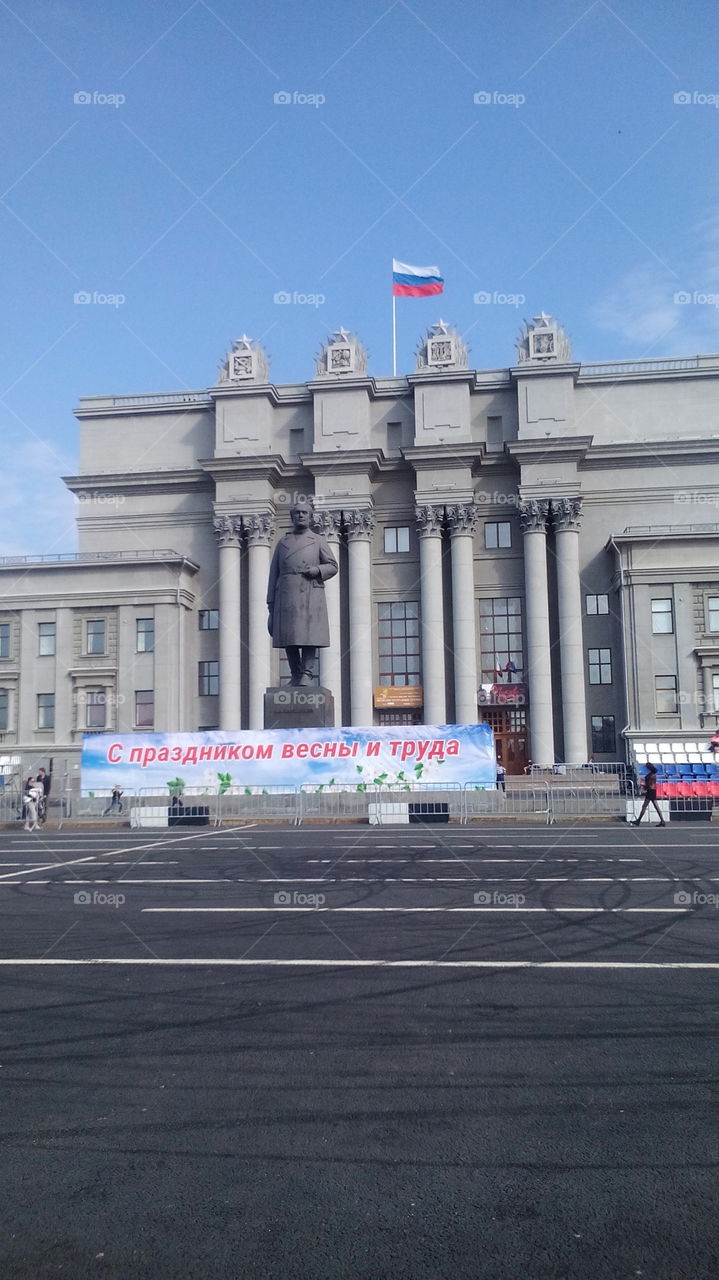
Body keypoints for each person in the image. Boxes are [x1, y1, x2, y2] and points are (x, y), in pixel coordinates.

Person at [267, 504, 338, 686]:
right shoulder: (282, 543)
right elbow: (273, 573)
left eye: (304, 513)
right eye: (297, 513)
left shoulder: (318, 540)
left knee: (308, 636)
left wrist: (316, 570)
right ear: (292, 517)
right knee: (289, 638)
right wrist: (271, 603)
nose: (300, 516)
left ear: (310, 516)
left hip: (309, 593)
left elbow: (332, 566)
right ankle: (295, 673)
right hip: (285, 594)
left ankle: (307, 673)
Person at [631, 762, 666, 827]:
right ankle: (662, 820)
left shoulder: (651, 775)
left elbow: (649, 785)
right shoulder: (652, 774)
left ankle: (638, 820)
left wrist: (643, 785)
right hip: (652, 791)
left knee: (645, 806)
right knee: (655, 806)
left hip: (650, 791)